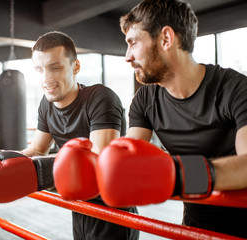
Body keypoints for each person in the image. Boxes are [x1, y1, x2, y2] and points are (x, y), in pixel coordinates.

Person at [99, 0, 247, 238]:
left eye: (133, 43)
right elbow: (128, 158)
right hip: (194, 226)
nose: (127, 56)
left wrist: (177, 175)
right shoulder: (144, 100)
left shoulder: (235, 89)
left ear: (166, 39)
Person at [0, 31, 139, 240]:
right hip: (80, 204)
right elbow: (37, 149)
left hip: (113, 207)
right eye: (39, 69)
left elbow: (98, 159)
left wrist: (39, 173)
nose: (47, 78)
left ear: (75, 67)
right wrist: (6, 161)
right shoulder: (47, 104)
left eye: (55, 67)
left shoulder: (100, 98)